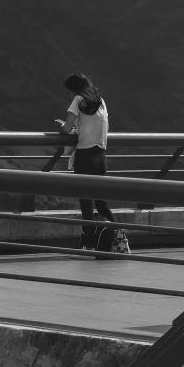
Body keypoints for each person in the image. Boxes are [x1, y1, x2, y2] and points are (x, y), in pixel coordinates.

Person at [54, 72, 115, 250]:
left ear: (75, 89)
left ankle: (91, 244)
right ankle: (116, 238)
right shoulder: (100, 101)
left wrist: (60, 125)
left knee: (86, 203)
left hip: (84, 156)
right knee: (101, 201)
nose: (70, 95)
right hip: (100, 156)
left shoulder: (78, 100)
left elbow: (66, 128)